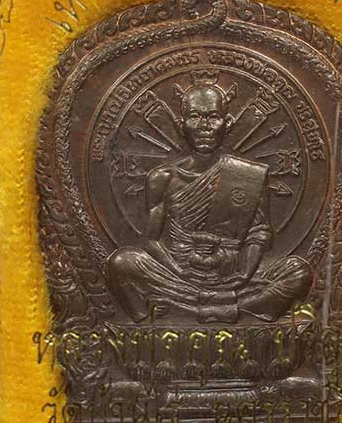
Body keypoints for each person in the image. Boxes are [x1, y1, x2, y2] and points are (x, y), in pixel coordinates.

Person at [107, 77, 313, 323]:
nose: (204, 126)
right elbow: (151, 240)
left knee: (298, 271)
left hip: (233, 276)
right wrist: (179, 271)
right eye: (195, 117)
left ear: (227, 123)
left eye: (213, 117)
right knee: (120, 263)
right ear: (181, 124)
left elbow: (259, 233)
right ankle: (229, 307)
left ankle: (188, 310)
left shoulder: (248, 175)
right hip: (179, 276)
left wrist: (244, 275)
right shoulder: (162, 178)